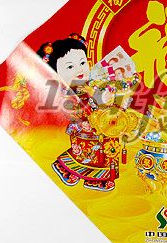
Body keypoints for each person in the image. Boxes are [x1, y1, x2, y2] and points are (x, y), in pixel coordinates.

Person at [36, 34, 117, 192]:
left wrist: (105, 98)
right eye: (70, 67)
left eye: (82, 63)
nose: (79, 69)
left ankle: (97, 178)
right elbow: (73, 111)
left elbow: (102, 101)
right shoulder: (63, 92)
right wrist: (95, 99)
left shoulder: (91, 84)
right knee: (85, 154)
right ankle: (66, 168)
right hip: (83, 128)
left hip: (100, 126)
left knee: (104, 152)